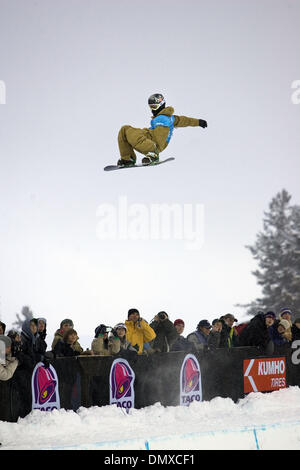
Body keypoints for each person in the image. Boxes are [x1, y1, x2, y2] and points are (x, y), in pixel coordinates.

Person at [117, 93, 208, 167]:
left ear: (161, 105)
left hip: (155, 145)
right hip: (148, 136)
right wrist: (199, 122)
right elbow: (184, 120)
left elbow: (184, 121)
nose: (152, 110)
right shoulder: (166, 118)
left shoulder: (167, 119)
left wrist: (198, 122)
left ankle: (153, 154)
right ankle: (127, 158)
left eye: (154, 107)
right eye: (151, 107)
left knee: (135, 135)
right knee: (124, 129)